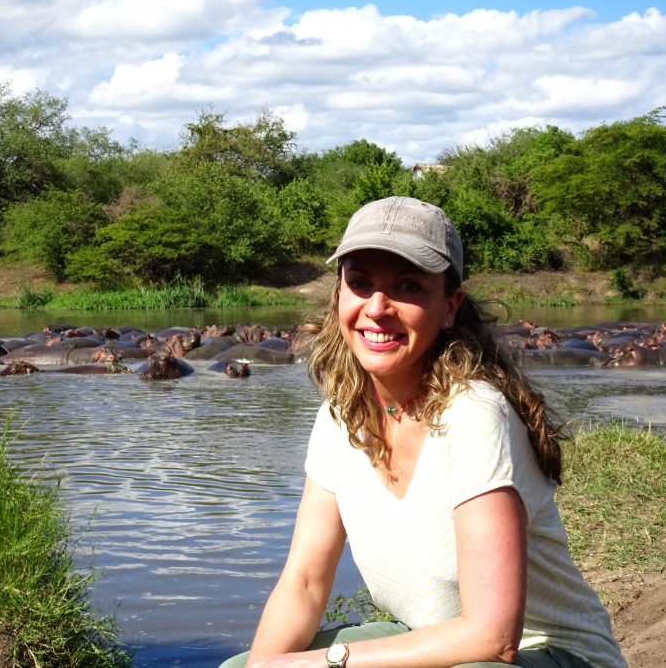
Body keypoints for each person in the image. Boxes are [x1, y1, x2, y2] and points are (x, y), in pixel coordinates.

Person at [220, 196, 626, 668]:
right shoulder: (339, 416)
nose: (376, 308)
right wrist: (264, 666)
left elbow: (493, 638)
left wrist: (321, 663)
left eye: (407, 286)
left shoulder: (475, 414)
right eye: (360, 283)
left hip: (545, 656)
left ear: (450, 306)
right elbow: (305, 583)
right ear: (338, 296)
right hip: (432, 636)